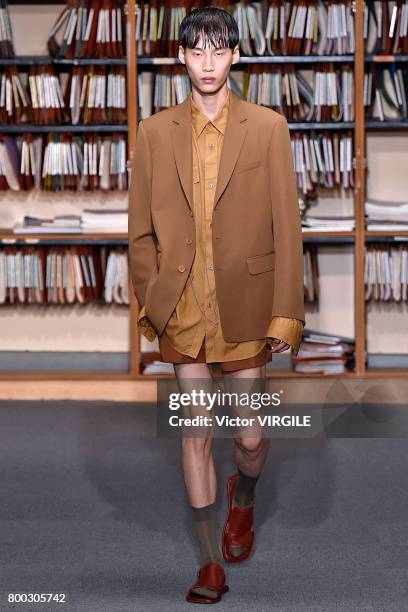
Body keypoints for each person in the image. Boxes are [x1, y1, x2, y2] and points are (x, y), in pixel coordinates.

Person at [128, 6, 305, 605]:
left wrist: (287, 313)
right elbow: (140, 233)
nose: (207, 62)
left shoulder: (267, 127)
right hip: (183, 309)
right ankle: (209, 566)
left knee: (251, 438)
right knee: (195, 431)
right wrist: (149, 301)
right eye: (196, 51)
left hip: (246, 306)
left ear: (235, 56)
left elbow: (287, 225)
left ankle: (245, 498)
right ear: (180, 57)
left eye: (218, 50)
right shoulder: (154, 133)